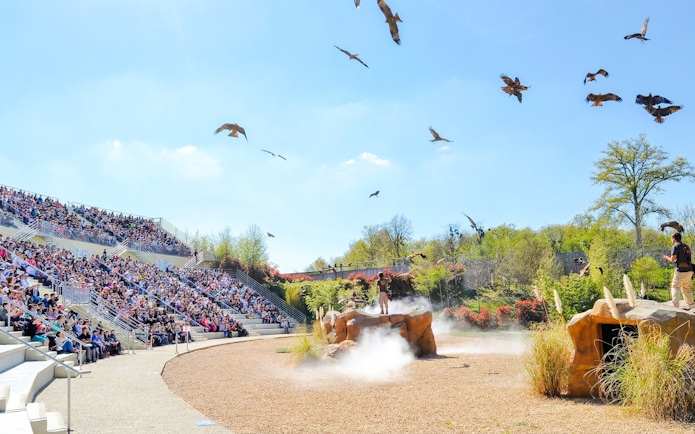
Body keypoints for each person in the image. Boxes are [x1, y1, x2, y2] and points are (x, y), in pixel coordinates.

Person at [663, 232, 694, 309]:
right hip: (690, 270)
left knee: (675, 286)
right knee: (686, 287)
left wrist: (667, 258)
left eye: (671, 238)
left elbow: (673, 259)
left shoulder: (676, 246)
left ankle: (675, 305)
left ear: (674, 238)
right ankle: (691, 304)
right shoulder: (686, 246)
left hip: (681, 270)